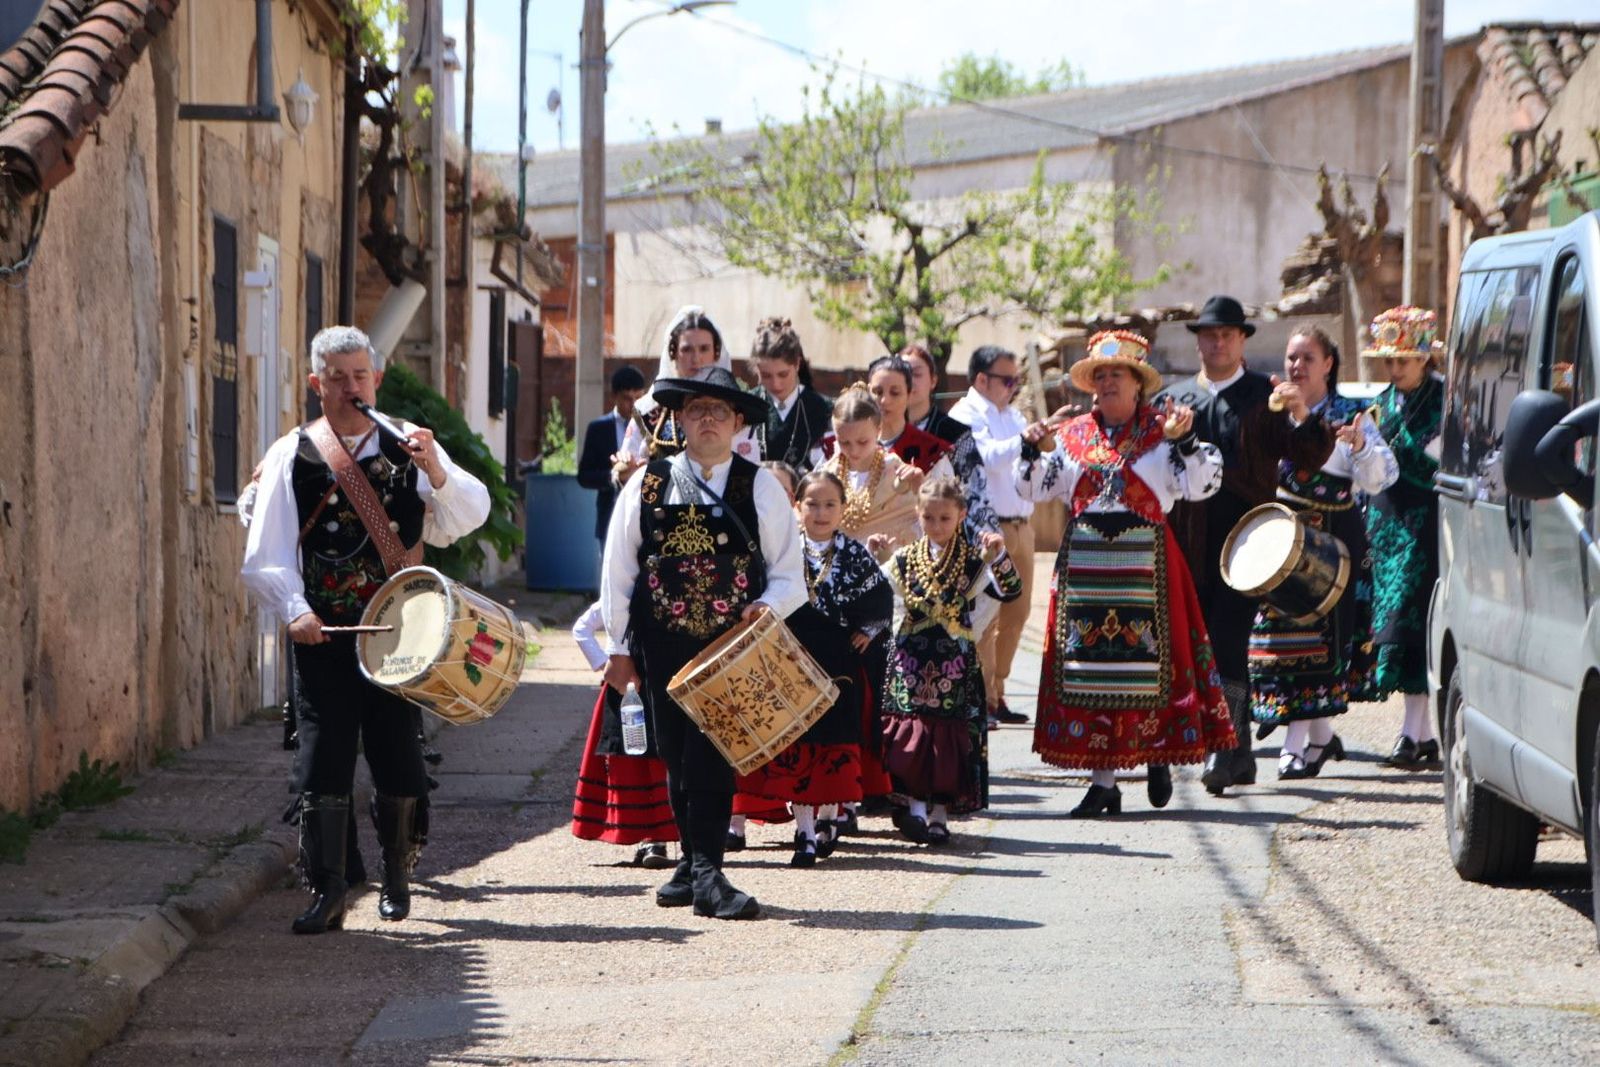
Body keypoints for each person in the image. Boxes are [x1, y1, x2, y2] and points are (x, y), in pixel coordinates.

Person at [241, 325, 491, 934]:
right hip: (321, 633)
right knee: (323, 758)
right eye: (337, 378)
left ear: (375, 379)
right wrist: (294, 609)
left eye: (360, 376)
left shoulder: (409, 445)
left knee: (397, 752)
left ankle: (398, 880)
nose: (350, 387)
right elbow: (266, 550)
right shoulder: (290, 453)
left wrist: (435, 468)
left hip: (398, 632)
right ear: (315, 384)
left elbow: (465, 516)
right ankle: (329, 891)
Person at [600, 364, 803, 920]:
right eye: (696, 409)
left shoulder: (759, 484)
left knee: (713, 750)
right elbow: (618, 569)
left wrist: (766, 608)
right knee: (674, 751)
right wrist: (617, 648)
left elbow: (790, 573)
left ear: (739, 421)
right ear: (680, 419)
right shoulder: (648, 481)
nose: (707, 419)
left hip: (729, 648)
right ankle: (691, 863)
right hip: (659, 642)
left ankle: (709, 870)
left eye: (719, 410)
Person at [1017, 330, 1233, 815]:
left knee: (1151, 667)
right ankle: (1105, 782)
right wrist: (1032, 449)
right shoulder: (1072, 437)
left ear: (1138, 384)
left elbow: (1202, 485)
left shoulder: (1165, 433)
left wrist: (1189, 440)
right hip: (1086, 572)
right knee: (1092, 670)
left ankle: (1155, 754)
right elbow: (1033, 489)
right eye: (1100, 376)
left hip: (1147, 568)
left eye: (1116, 374)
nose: (1106, 383)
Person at [1156, 296, 1336, 796]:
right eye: (1210, 335)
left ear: (1242, 341)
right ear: (1198, 341)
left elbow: (1308, 456)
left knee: (1228, 640)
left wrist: (1302, 414)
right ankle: (1233, 752)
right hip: (1187, 542)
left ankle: (1225, 747)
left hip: (1249, 539)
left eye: (1228, 335)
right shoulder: (1174, 401)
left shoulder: (1266, 395)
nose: (1218, 343)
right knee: (1197, 646)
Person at [1248, 326, 1398, 779]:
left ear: (1328, 363)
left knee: (1318, 644)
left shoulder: (1353, 414)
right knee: (1275, 640)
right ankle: (1317, 737)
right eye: (1292, 357)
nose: (1297, 366)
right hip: (1281, 539)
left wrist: (1358, 445)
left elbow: (1381, 477)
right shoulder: (1271, 412)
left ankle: (1294, 745)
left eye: (1307, 357)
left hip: (1332, 540)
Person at [736, 470, 893, 866]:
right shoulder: (782, 550)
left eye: (830, 505)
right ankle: (804, 832)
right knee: (798, 740)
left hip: (837, 660)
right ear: (797, 506)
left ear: (844, 508)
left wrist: (868, 630)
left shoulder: (855, 554)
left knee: (833, 742)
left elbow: (881, 599)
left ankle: (829, 817)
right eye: (812, 504)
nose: (821, 513)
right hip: (791, 658)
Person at [871, 477, 1022, 844]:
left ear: (961, 516)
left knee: (948, 738)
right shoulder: (905, 559)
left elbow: (1011, 590)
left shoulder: (973, 560)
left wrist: (1000, 555)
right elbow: (877, 594)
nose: (936, 526)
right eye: (928, 517)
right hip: (911, 657)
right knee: (911, 734)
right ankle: (916, 810)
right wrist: (875, 558)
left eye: (944, 518)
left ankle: (940, 814)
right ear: (918, 515)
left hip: (953, 661)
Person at [1361, 306, 1447, 770]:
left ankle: (1415, 734)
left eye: (1403, 361)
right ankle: (1419, 734)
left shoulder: (1447, 399)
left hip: (1431, 523)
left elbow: (1451, 458)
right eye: (1389, 362)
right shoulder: (1380, 403)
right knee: (1397, 625)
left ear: (1424, 359)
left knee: (1418, 622)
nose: (1394, 370)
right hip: (1389, 527)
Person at [948, 346, 1035, 726]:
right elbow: (990, 457)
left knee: (1017, 614)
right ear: (981, 379)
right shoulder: (963, 415)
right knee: (985, 617)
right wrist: (1028, 439)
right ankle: (981, 698)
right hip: (988, 530)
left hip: (1021, 525)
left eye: (1016, 380)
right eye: (1007, 379)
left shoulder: (1012, 414)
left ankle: (998, 693)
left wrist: (1040, 440)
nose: (1013, 387)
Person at [569, 601, 678, 867]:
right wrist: (604, 665)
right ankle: (648, 838)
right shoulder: (614, 598)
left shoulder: (663, 593)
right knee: (632, 760)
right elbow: (581, 629)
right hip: (625, 692)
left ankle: (658, 839)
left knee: (659, 759)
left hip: (661, 686)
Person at [614, 306, 757, 482]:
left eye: (704, 349)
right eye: (687, 349)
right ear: (673, 354)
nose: (696, 358)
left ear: (716, 353)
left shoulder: (736, 408)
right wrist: (627, 474)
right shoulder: (648, 411)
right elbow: (628, 468)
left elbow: (750, 473)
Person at [818, 387, 940, 547]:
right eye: (844, 442)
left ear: (878, 431)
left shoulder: (895, 471)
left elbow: (932, 524)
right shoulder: (828, 474)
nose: (854, 450)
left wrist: (920, 488)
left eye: (863, 442)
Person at [578, 365, 648, 551]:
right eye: (627, 398)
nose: (633, 404)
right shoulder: (598, 429)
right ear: (614, 397)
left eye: (638, 398)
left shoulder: (653, 427)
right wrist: (614, 476)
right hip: (610, 515)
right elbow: (584, 476)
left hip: (645, 514)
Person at [751, 316, 833, 472]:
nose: (776, 384)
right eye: (766, 375)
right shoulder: (746, 406)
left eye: (783, 374)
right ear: (756, 368)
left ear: (797, 364)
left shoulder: (824, 409)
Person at [868, 355, 956, 473]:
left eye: (895, 393)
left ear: (908, 395)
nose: (885, 400)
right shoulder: (850, 443)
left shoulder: (931, 451)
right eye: (878, 392)